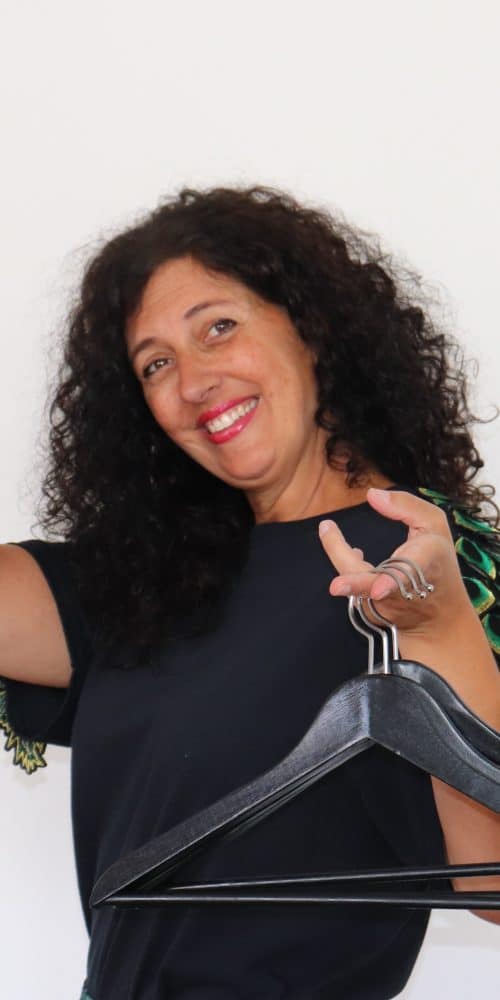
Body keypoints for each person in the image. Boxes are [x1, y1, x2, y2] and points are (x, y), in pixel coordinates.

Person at [1, 184, 499, 1000]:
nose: (193, 381)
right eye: (156, 364)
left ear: (311, 326)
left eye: (218, 328)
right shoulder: (149, 585)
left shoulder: (434, 559)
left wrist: (442, 627)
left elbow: (494, 884)